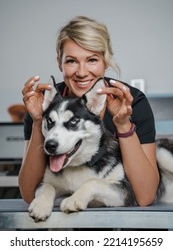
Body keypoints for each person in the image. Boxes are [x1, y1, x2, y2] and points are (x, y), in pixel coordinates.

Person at [19, 16, 160, 206]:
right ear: (59, 62)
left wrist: (123, 124)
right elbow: (29, 195)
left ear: (106, 61)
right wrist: (38, 121)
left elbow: (145, 196)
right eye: (71, 61)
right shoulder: (46, 104)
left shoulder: (133, 102)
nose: (82, 72)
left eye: (92, 60)